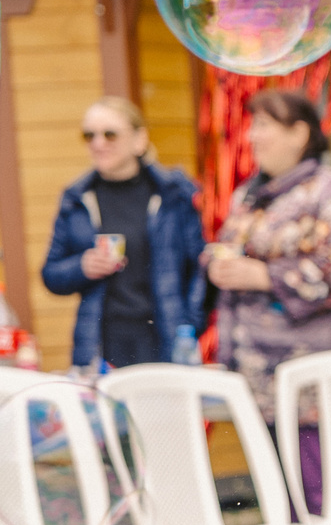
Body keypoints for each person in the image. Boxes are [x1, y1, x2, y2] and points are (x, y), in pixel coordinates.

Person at [206, 90, 331, 525]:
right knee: (284, 487)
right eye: (252, 126)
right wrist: (218, 261)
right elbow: (228, 245)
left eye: (264, 127)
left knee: (320, 484)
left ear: (300, 132)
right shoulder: (253, 194)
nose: (253, 136)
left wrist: (263, 275)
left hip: (305, 371)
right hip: (254, 370)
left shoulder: (330, 191)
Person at [38, 97, 207, 371]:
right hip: (101, 344)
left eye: (110, 134)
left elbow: (199, 267)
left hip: (165, 341)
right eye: (89, 135)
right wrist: (82, 266)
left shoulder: (174, 193)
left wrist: (189, 325)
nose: (98, 143)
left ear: (139, 140)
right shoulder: (76, 198)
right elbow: (51, 274)